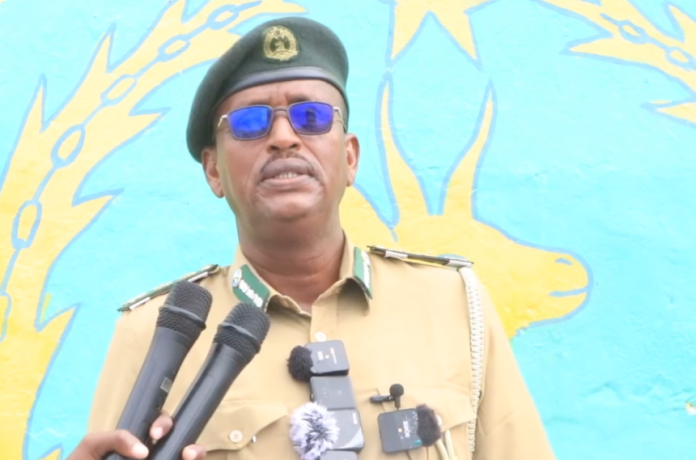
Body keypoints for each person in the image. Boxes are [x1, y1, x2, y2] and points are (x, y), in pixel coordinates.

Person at [68, 16, 556, 460]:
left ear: (349, 157)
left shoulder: (453, 305)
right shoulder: (154, 333)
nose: (284, 137)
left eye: (312, 117)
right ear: (214, 171)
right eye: (251, 123)